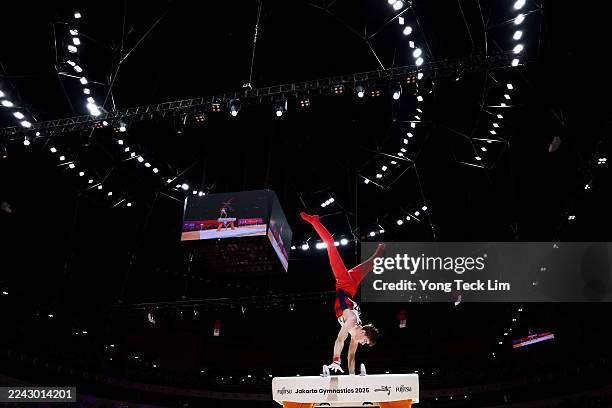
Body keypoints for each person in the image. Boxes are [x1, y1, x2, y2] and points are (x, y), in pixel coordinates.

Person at [300, 212, 384, 374]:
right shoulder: (352, 320)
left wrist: (351, 378)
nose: (363, 344)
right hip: (345, 285)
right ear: (364, 332)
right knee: (331, 246)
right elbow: (339, 339)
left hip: (350, 288)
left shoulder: (354, 334)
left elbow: (351, 357)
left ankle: (382, 250)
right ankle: (314, 221)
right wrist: (335, 359)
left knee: (374, 261)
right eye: (366, 341)